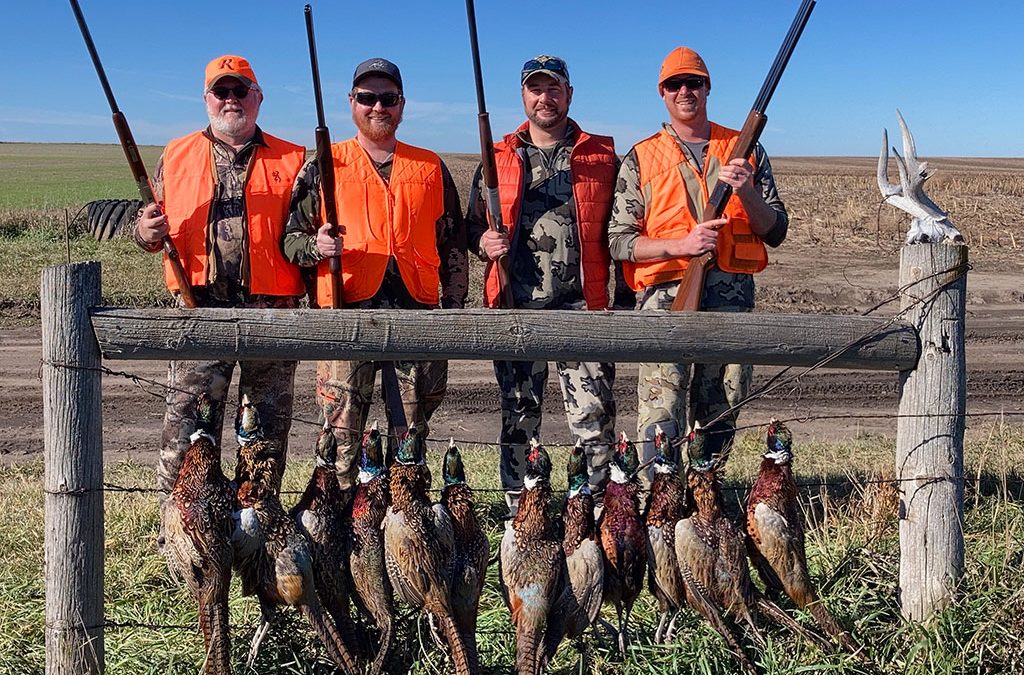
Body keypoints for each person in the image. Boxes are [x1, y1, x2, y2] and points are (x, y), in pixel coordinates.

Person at [283, 57, 467, 488]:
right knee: (342, 437)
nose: (377, 107)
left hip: (416, 315)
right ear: (352, 103)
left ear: (402, 105)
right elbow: (290, 239)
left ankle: (405, 529)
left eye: (388, 98)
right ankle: (344, 529)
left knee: (410, 436)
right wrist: (316, 247)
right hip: (347, 315)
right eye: (367, 98)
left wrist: (454, 311)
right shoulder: (325, 165)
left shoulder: (430, 167)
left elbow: (453, 244)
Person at [133, 55, 306, 502]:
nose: (231, 100)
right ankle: (182, 536)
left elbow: (306, 233)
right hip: (198, 310)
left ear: (258, 97)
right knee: (184, 434)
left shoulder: (295, 158)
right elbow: (152, 230)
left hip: (273, 313)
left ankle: (256, 533)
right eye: (221, 91)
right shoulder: (174, 154)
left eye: (240, 90)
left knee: (263, 437)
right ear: (207, 99)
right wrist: (145, 233)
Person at [607, 46, 789, 469]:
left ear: (708, 88)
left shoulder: (746, 151)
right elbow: (619, 241)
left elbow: (776, 230)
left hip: (732, 303)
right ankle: (659, 507)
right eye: (675, 84)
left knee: (722, 409)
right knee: (661, 412)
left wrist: (746, 191)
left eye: (694, 82)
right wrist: (681, 246)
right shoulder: (641, 157)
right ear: (662, 93)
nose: (685, 90)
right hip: (664, 303)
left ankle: (708, 502)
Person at [466, 55, 621, 514]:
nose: (544, 97)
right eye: (535, 88)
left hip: (582, 307)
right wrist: (483, 241)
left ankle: (595, 512)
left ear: (568, 94)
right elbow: (469, 227)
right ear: (523, 97)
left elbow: (622, 226)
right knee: (518, 418)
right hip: (517, 309)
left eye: (553, 88)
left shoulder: (601, 156)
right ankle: (522, 512)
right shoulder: (496, 159)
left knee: (592, 417)